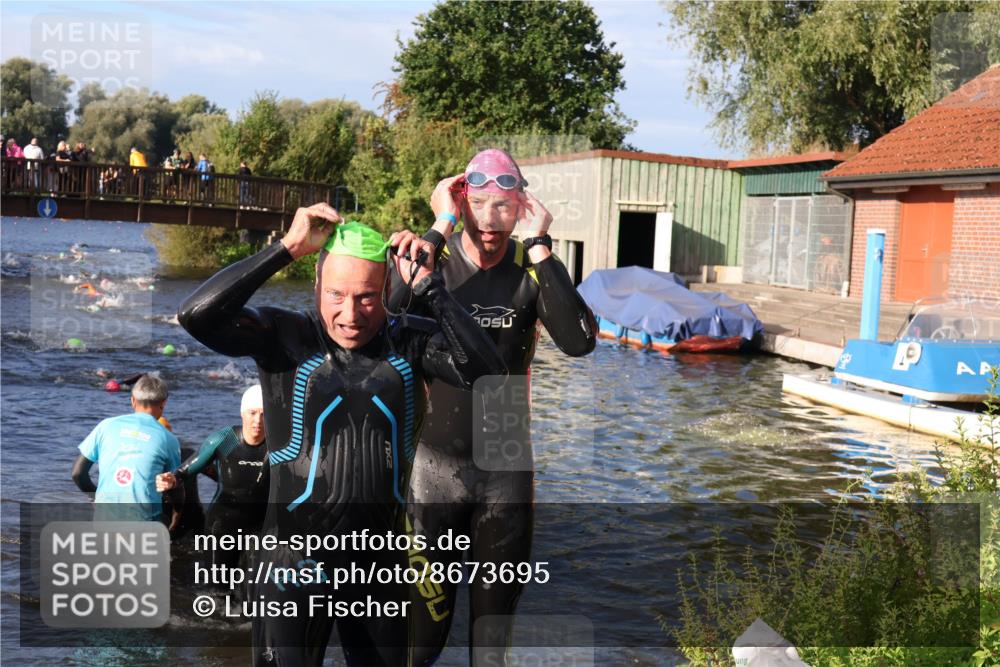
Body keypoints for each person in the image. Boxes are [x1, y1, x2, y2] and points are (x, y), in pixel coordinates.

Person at [177, 207, 506, 666]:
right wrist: (285, 249)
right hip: (291, 565)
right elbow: (196, 316)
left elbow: (491, 374)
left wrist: (431, 288)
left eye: (367, 297)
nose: (350, 315)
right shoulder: (286, 337)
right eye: (336, 294)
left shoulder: (409, 342)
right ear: (316, 285)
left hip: (378, 569)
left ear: (387, 289)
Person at [388, 148, 597, 666]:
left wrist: (542, 246)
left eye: (503, 206)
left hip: (505, 463)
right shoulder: (433, 259)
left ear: (521, 207)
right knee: (422, 640)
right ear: (461, 203)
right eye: (477, 204)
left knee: (490, 645)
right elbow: (391, 311)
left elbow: (579, 341)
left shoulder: (530, 267)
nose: (489, 220)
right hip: (434, 465)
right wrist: (439, 223)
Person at [156, 384, 269, 568]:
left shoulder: (277, 445)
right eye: (252, 413)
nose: (258, 420)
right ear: (242, 413)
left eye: (264, 414)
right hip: (222, 523)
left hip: (261, 525)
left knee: (258, 580)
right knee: (217, 582)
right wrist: (171, 480)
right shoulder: (225, 439)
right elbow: (184, 471)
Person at [70, 374, 183, 522]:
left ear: (133, 401)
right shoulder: (168, 439)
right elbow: (174, 486)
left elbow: (78, 473)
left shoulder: (106, 426)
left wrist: (95, 497)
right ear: (163, 403)